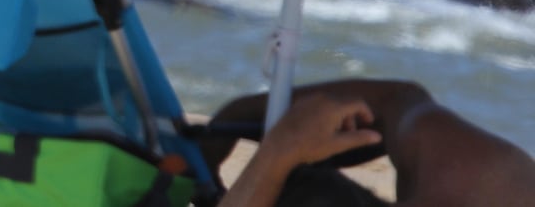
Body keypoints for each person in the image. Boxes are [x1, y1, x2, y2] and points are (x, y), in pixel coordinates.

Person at [206, 80, 535, 206]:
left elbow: (401, 100)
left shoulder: (476, 175)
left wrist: (277, 154)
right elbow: (400, 100)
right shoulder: (473, 173)